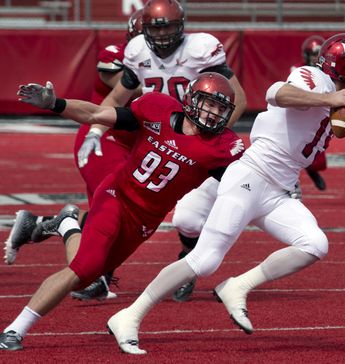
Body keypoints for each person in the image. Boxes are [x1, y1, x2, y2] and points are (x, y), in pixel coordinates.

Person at [101, 33, 345, 355]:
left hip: (279, 189)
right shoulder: (315, 78)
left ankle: (238, 286)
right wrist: (330, 101)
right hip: (250, 176)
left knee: (315, 244)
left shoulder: (338, 92)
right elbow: (277, 92)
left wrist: (338, 105)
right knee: (204, 260)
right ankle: (128, 316)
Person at [0, 72, 245, 352]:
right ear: (191, 100)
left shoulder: (223, 148)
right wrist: (55, 103)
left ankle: (68, 224)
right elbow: (97, 114)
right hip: (117, 195)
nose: (213, 113)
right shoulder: (157, 109)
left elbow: (245, 186)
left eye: (220, 108)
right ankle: (13, 331)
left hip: (144, 221)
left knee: (92, 277)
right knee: (84, 267)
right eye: (209, 104)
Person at [75, 0, 247, 302]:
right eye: (156, 27)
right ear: (145, 29)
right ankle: (94, 267)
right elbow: (118, 96)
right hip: (153, 135)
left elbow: (239, 100)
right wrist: (95, 130)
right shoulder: (138, 50)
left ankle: (187, 263)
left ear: (181, 26)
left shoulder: (201, 48)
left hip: (198, 143)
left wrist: (212, 135)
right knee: (120, 199)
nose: (163, 34)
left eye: (168, 26)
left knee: (189, 220)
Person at [3, 10, 144, 301]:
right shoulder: (118, 56)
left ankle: (43, 225)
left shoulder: (169, 61)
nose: (159, 40)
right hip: (103, 137)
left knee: (112, 212)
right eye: (152, 34)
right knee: (119, 208)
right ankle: (91, 272)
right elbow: (126, 91)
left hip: (130, 142)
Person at [291, 35, 327, 192]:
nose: (316, 58)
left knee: (317, 157)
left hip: (320, 110)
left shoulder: (327, 69)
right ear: (306, 55)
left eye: (319, 55)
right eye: (313, 54)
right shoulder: (298, 70)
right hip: (301, 109)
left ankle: (312, 169)